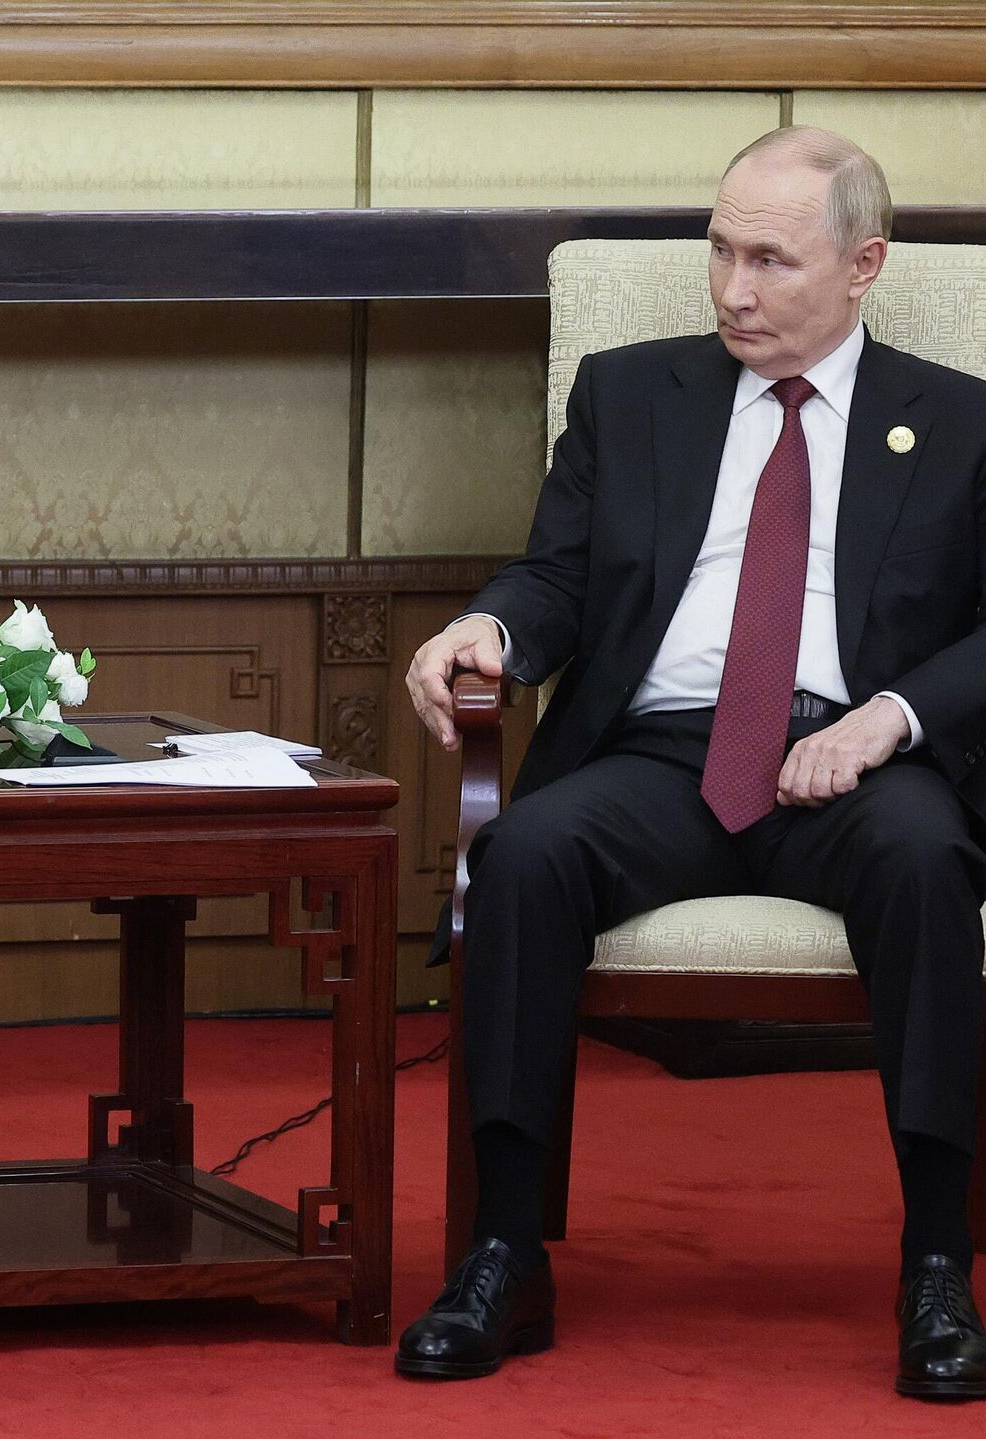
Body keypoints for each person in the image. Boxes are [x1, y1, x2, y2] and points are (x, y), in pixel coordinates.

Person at [401, 126, 986, 1400]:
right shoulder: (628, 394)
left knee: (929, 861)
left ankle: (940, 1262)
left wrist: (887, 718)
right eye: (720, 252)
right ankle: (505, 1251)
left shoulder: (957, 420)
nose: (733, 289)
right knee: (523, 854)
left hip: (856, 758)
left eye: (771, 261)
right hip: (665, 751)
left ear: (865, 265)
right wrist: (490, 628)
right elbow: (555, 576)